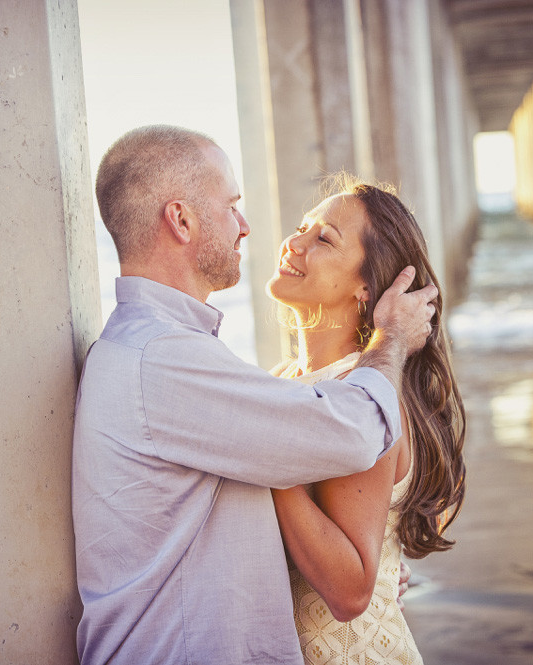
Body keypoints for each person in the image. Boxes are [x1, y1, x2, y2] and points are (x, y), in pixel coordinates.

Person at [70, 125, 438, 665]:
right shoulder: (169, 359)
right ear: (181, 219)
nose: (248, 227)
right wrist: (393, 340)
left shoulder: (185, 360)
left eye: (324, 237)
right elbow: (353, 431)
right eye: (231, 206)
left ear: (366, 286)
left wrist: (379, 563)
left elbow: (353, 580)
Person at [267, 178, 467, 664]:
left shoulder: (359, 399)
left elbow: (351, 590)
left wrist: (264, 462)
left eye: (324, 239)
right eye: (301, 228)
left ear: (365, 286)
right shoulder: (283, 380)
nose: (294, 243)